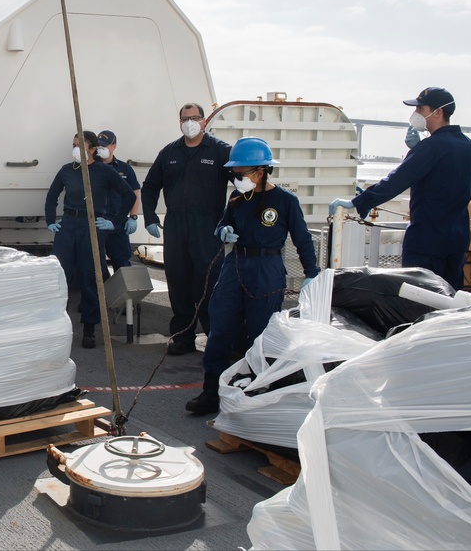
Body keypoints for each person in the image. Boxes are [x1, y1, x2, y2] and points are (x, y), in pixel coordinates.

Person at [186, 138, 319, 414]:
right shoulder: (236, 199)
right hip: (235, 265)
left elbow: (303, 239)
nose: (237, 178)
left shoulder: (285, 201)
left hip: (267, 268)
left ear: (261, 171)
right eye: (234, 174)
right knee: (220, 328)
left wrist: (312, 273)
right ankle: (211, 391)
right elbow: (223, 223)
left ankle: (257, 394)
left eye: (241, 173)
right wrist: (222, 231)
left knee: (261, 334)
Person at [330, 87, 471, 291]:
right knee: (451, 299)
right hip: (457, 239)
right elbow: (444, 178)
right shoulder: (468, 146)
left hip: (427, 239)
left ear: (438, 112)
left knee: (419, 299)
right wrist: (418, 150)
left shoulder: (432, 146)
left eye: (420, 108)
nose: (416, 113)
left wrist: (360, 201)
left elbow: (399, 179)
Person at [140, 102, 233, 354]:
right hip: (176, 227)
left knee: (208, 283)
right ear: (179, 122)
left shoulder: (220, 151)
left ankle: (216, 337)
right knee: (178, 281)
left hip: (208, 227)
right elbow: (149, 186)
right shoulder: (169, 152)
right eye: (185, 118)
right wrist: (149, 216)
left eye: (195, 117)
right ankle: (182, 337)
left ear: (204, 121)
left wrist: (231, 220)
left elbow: (243, 185)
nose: (190, 122)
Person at [45, 131, 136, 348]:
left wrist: (114, 221)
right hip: (68, 224)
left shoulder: (104, 172)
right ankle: (56, 325)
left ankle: (89, 328)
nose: (76, 149)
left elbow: (129, 195)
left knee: (89, 278)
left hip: (92, 226)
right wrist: (50, 220)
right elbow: (52, 195)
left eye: (80, 145)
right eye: (74, 144)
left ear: (93, 149)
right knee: (60, 277)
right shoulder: (67, 170)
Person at [97, 130, 141, 275]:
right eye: (98, 145)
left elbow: (135, 193)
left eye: (104, 146)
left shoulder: (124, 168)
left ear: (113, 146)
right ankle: (103, 295)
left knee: (122, 264)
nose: (100, 149)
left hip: (117, 223)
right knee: (96, 264)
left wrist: (133, 217)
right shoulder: (91, 167)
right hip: (97, 223)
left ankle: (124, 298)